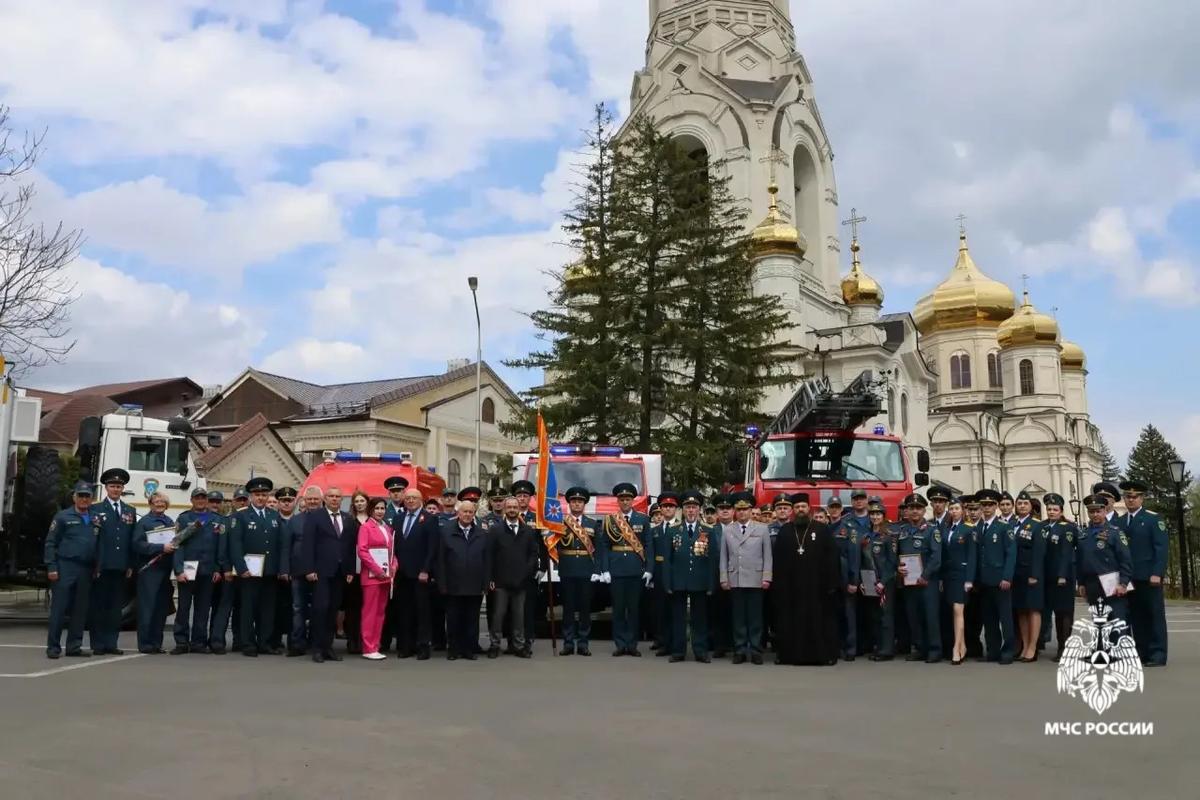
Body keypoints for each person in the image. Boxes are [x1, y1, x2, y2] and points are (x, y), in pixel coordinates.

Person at [771, 492, 840, 665]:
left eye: (803, 506)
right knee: (790, 620)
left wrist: (832, 582)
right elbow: (777, 560)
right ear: (793, 510)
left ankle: (823, 655)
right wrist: (779, 585)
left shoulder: (821, 529)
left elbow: (832, 557)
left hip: (818, 587)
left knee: (820, 620)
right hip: (791, 588)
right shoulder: (786, 531)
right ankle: (789, 655)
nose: (800, 510)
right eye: (797, 507)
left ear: (809, 508)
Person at [229, 476, 287, 657]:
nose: (261, 498)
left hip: (270, 571)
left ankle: (265, 643)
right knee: (248, 609)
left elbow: (280, 544)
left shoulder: (274, 516)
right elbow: (235, 544)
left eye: (264, 494)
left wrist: (281, 568)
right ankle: (248, 644)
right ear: (251, 496)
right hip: (249, 572)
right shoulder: (241, 516)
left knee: (267, 610)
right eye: (257, 495)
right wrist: (241, 568)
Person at [45, 482, 99, 658]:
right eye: (81, 496)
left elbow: (99, 544)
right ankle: (53, 647)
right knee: (59, 609)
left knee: (80, 610)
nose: (84, 499)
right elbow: (51, 543)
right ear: (74, 497)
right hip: (65, 567)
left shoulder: (96, 518)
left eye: (87, 496)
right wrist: (51, 566)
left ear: (92, 499)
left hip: (86, 569)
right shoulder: (62, 516)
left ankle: (74, 646)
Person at [301, 486, 355, 663]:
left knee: (333, 611)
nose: (334, 499)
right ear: (325, 498)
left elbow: (349, 547)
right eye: (331, 496)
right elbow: (308, 544)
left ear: (342, 499)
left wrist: (350, 570)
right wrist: (309, 569)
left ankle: (328, 647)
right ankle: (317, 648)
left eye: (337, 496)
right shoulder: (315, 517)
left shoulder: (347, 518)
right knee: (320, 609)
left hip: (340, 573)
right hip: (321, 572)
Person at [1117, 479, 1168, 667]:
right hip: (1129, 578)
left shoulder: (1153, 519)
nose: (1131, 500)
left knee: (1153, 615)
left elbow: (1161, 548)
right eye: (1127, 497)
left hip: (1148, 576)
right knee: (1137, 616)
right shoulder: (1120, 521)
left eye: (1134, 497)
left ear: (1142, 498)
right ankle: (1141, 651)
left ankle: (1157, 653)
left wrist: (1157, 572)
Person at [599, 482, 653, 656]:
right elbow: (604, 546)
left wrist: (649, 569)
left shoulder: (643, 519)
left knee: (634, 610)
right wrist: (605, 569)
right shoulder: (609, 520)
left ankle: (632, 644)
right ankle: (620, 644)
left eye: (628, 499)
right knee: (619, 610)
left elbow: (648, 545)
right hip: (616, 571)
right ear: (618, 501)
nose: (625, 502)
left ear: (633, 500)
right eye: (622, 499)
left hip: (636, 570)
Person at [720, 490, 772, 665]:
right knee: (739, 617)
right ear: (735, 511)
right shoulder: (728, 530)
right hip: (736, 578)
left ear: (751, 510)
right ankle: (740, 649)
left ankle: (756, 649)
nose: (742, 513)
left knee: (755, 617)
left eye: (746, 509)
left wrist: (767, 577)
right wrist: (723, 578)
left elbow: (767, 556)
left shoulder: (762, 529)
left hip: (756, 579)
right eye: (739, 510)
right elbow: (723, 557)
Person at [664, 490, 717, 663]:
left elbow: (712, 560)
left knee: (699, 618)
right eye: (687, 507)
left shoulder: (708, 530)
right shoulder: (673, 531)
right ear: (682, 510)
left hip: (699, 581)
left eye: (694, 507)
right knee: (678, 618)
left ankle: (700, 651)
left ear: (699, 509)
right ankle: (678, 651)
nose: (691, 511)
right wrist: (667, 582)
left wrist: (711, 584)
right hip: (678, 581)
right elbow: (667, 559)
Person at [89, 468, 136, 655]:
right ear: (106, 488)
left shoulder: (129, 511)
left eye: (119, 486)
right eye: (112, 486)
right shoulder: (96, 509)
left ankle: (111, 642)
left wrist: (131, 564)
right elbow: (93, 540)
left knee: (115, 608)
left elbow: (131, 541)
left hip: (120, 566)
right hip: (102, 566)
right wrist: (94, 564)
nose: (116, 489)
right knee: (99, 606)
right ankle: (98, 644)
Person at [171, 488, 223, 655]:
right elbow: (177, 544)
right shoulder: (184, 518)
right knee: (184, 608)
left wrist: (218, 568)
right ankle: (181, 642)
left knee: (202, 609)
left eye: (203, 498)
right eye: (197, 498)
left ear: (206, 500)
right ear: (192, 500)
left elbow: (220, 547)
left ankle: (198, 643)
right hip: (188, 569)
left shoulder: (216, 519)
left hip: (208, 570)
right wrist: (178, 570)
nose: (200, 501)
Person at [487, 497, 540, 658]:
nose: (512, 509)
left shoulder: (528, 531)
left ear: (518, 509)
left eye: (514, 507)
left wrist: (527, 571)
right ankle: (495, 645)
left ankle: (518, 645)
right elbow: (489, 556)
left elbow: (533, 554)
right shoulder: (495, 530)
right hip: (500, 581)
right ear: (504, 509)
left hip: (521, 581)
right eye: (509, 507)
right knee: (498, 615)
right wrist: (490, 578)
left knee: (519, 616)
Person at [437, 499, 490, 660]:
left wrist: (485, 583)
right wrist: (442, 583)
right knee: (453, 619)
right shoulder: (446, 531)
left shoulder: (481, 533)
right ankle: (453, 649)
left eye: (470, 512)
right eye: (464, 511)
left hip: (474, 585)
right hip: (453, 584)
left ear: (474, 514)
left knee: (472, 620)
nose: (467, 515)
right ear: (458, 513)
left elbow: (486, 560)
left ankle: (468, 649)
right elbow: (440, 560)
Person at [390, 486, 438, 660]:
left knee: (422, 612)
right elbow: (393, 545)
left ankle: (423, 646)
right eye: (408, 498)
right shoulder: (398, 518)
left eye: (414, 498)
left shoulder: (430, 519)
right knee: (404, 611)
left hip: (420, 574)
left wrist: (426, 570)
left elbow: (433, 548)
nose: (410, 501)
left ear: (421, 500)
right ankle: (405, 646)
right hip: (401, 574)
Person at [897, 494, 942, 663]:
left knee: (930, 616)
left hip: (927, 582)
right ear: (906, 511)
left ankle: (934, 650)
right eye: (911, 508)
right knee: (913, 616)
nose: (914, 511)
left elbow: (936, 557)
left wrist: (925, 575)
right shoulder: (902, 532)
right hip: (909, 581)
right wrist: (898, 569)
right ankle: (919, 648)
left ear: (924, 510)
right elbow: (898, 555)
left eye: (918, 508)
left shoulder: (932, 530)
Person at [131, 491, 178, 654]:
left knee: (161, 609)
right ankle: (145, 644)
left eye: (163, 502)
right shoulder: (144, 522)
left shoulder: (170, 521)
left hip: (165, 570)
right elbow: (137, 545)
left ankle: (156, 643)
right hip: (150, 570)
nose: (160, 504)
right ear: (150, 503)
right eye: (156, 501)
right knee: (147, 608)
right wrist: (160, 548)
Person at [1077, 494, 1133, 626]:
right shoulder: (1084, 535)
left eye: (1098, 511)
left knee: (1117, 623)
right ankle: (1100, 647)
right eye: (1092, 511)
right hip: (1092, 584)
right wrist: (1081, 583)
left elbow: (1125, 559)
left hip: (1112, 584)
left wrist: (1123, 583)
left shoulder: (1115, 533)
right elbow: (1080, 561)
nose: (1095, 514)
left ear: (1105, 511)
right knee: (1099, 624)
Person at [559, 486, 601, 656]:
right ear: (569, 504)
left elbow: (599, 549)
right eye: (574, 501)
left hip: (586, 570)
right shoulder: (560, 523)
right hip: (567, 568)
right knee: (568, 609)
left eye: (580, 502)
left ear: (584, 504)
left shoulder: (592, 523)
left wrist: (597, 569)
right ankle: (568, 643)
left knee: (585, 609)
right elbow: (555, 546)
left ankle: (583, 643)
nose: (577, 504)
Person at [976, 488, 1016, 664]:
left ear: (996, 507)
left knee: (1005, 619)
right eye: (983, 505)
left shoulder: (1003, 527)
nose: (986, 508)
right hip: (984, 581)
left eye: (990, 505)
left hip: (1000, 580)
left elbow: (1011, 553)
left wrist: (1007, 577)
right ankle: (992, 651)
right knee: (989, 619)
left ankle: (1007, 651)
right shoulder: (978, 527)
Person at [833, 489, 871, 660]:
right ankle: (847, 647)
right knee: (847, 612)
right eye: (855, 499)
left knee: (869, 612)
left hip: (870, 570)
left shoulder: (875, 518)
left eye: (862, 498)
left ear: (867, 500)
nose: (859, 501)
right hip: (849, 573)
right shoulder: (846, 523)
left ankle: (863, 645)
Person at [357, 497, 397, 660]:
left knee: (380, 612)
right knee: (370, 612)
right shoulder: (366, 527)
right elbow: (363, 551)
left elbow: (392, 550)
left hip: (385, 577)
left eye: (382, 508)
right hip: (372, 577)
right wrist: (377, 569)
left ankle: (375, 644)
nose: (380, 511)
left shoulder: (386, 527)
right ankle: (368, 647)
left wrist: (394, 566)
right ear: (371, 510)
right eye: (377, 508)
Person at [1040, 493, 1078, 662]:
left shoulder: (1067, 527)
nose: (1051, 512)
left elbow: (1066, 553)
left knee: (1064, 613)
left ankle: (1064, 647)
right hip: (1046, 576)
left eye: (1055, 509)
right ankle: (1047, 643)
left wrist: (1062, 575)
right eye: (1049, 509)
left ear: (1061, 511)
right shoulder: (1042, 526)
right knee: (1052, 612)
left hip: (1063, 577)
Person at [285, 486, 321, 656]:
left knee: (318, 608)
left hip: (320, 573)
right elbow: (287, 547)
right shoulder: (295, 520)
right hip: (298, 572)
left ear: (321, 501)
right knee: (298, 609)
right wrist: (285, 569)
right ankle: (297, 643)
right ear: (304, 501)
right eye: (310, 499)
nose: (313, 502)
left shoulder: (326, 520)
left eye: (316, 499)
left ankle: (316, 643)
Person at [942, 495, 977, 665]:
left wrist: (969, 579)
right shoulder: (947, 528)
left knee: (958, 610)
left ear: (962, 510)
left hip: (962, 575)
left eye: (956, 508)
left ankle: (956, 648)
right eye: (951, 509)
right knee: (953, 610)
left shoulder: (969, 529)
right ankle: (962, 646)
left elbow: (972, 556)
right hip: (949, 574)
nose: (954, 512)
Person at [1011, 490, 1045, 663]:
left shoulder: (1037, 526)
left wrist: (1035, 574)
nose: (1022, 506)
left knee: (1033, 609)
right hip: (1016, 574)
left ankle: (1033, 647)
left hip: (1031, 575)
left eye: (1025, 503)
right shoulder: (1013, 524)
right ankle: (1024, 646)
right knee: (1021, 611)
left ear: (1031, 507)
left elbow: (1039, 553)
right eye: (1019, 503)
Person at [206, 489, 238, 654]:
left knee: (226, 607)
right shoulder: (223, 521)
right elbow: (220, 549)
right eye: (212, 501)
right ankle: (211, 640)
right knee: (213, 607)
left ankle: (218, 640)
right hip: (215, 571)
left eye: (218, 502)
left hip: (233, 571)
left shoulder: (230, 520)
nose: (215, 505)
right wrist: (222, 568)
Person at [268, 486, 298, 652]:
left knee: (295, 609)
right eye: (283, 501)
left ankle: (294, 642)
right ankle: (274, 641)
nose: (286, 504)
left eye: (290, 500)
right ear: (278, 503)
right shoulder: (271, 520)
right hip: (274, 572)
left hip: (295, 572)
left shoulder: (300, 520)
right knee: (275, 608)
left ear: (295, 502)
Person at [866, 499, 897, 661]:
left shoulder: (888, 536)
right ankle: (878, 647)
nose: (875, 517)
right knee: (875, 616)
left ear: (883, 516)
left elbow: (892, 563)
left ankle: (887, 650)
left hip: (885, 582)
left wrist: (883, 582)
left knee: (886, 616)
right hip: (870, 581)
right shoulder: (867, 535)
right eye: (872, 514)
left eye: (878, 514)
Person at [340, 490, 370, 655]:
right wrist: (349, 569)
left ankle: (366, 639)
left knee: (368, 606)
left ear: (367, 503)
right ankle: (353, 640)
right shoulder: (349, 522)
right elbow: (346, 547)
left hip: (371, 569)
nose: (359, 504)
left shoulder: (374, 521)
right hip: (354, 568)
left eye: (362, 501)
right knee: (353, 606)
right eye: (356, 501)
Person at [648, 492, 678, 656]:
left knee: (675, 609)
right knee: (660, 609)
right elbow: (651, 554)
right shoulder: (655, 530)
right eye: (665, 506)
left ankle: (675, 643)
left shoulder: (680, 527)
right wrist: (650, 574)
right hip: (659, 572)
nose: (667, 509)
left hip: (675, 572)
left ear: (675, 509)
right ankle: (663, 642)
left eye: (671, 506)